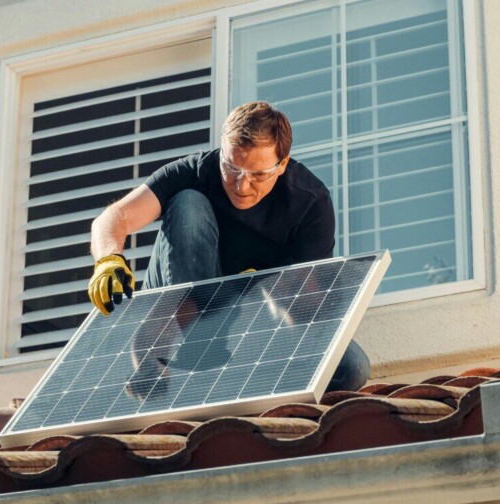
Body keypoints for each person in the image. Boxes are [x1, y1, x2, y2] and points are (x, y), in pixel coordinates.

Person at [87, 101, 370, 392]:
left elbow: (308, 310)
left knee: (350, 369)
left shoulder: (309, 203)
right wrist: (108, 260)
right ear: (221, 151)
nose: (241, 185)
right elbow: (113, 218)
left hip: (255, 320)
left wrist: (260, 292)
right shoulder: (196, 171)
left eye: (258, 175)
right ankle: (187, 342)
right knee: (188, 202)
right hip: (186, 305)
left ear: (282, 164)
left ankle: (232, 361)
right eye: (231, 167)